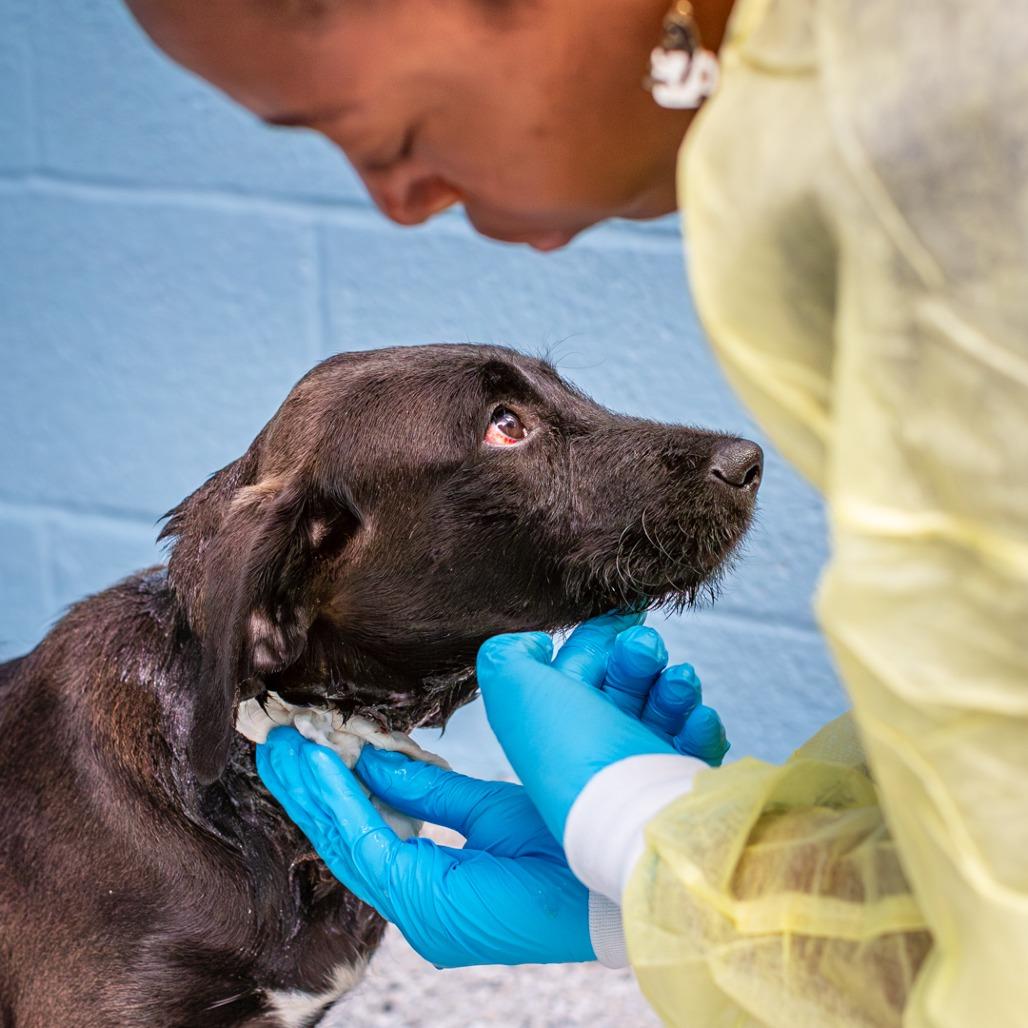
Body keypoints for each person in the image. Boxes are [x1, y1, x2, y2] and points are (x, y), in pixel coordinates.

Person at [124, 0, 1028, 1024]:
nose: (401, 204)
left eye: (394, 139)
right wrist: (672, 871)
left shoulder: (925, 146)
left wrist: (640, 835)